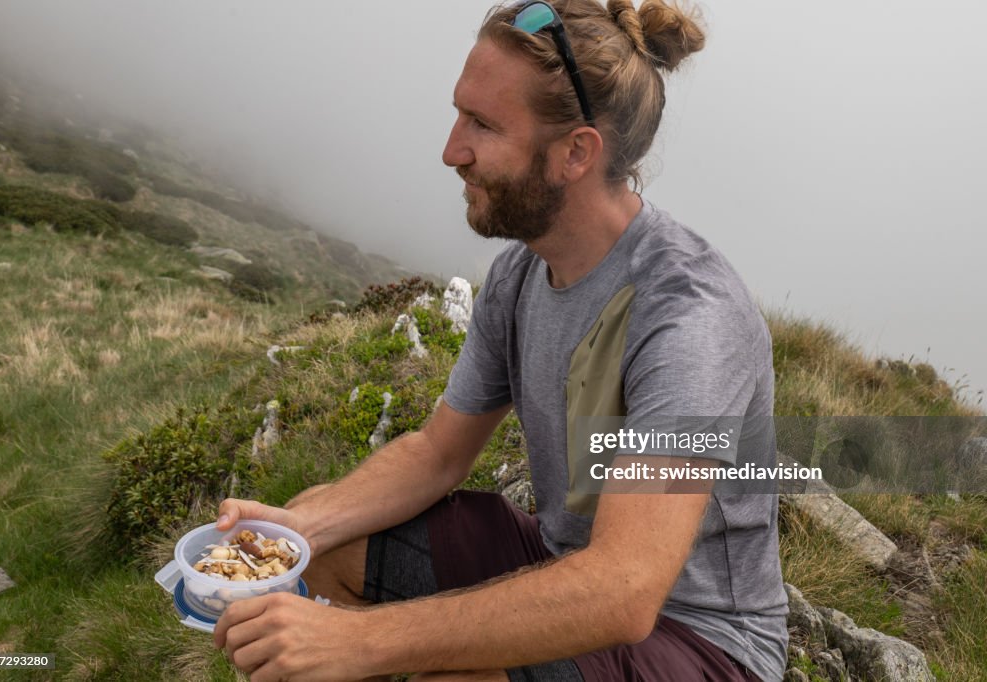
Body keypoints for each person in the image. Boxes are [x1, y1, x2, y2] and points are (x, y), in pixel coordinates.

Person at [212, 0, 789, 679]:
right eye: (460, 113)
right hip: (563, 560)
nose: (452, 151)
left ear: (576, 152)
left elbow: (626, 590)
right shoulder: (521, 269)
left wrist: (361, 641)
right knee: (320, 540)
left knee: (456, 674)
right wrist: (293, 534)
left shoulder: (689, 318)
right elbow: (436, 454)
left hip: (699, 639)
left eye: (482, 125)